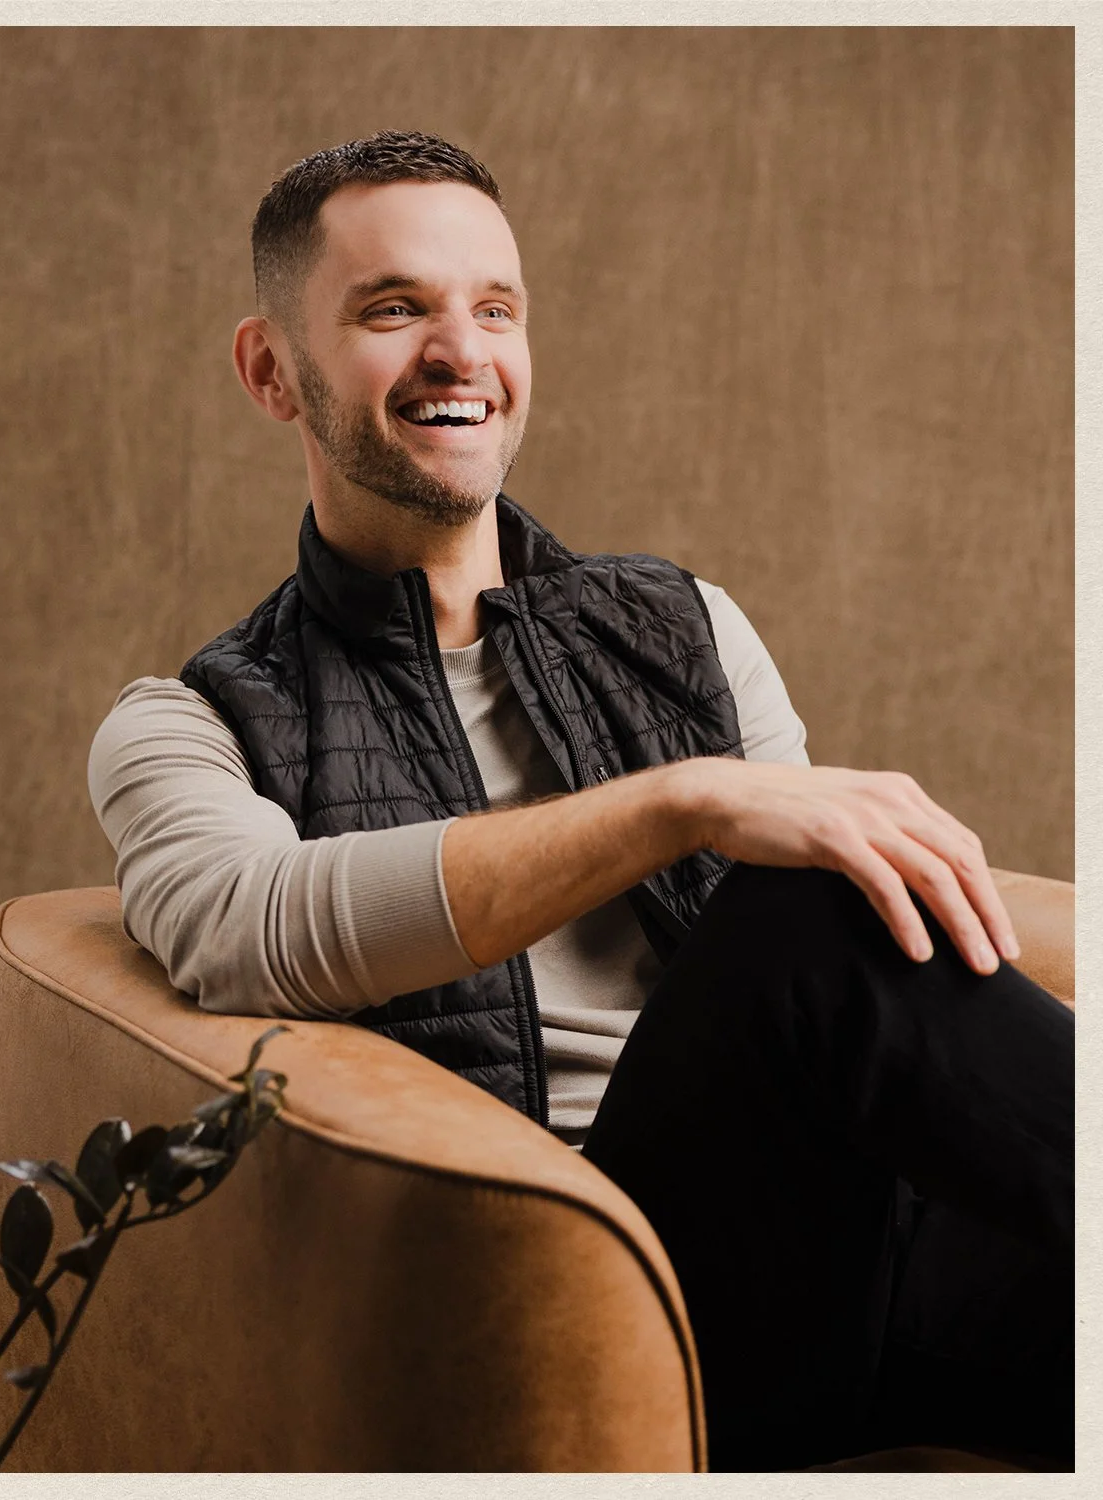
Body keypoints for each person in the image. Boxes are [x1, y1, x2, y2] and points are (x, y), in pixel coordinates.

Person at [88, 131, 1071, 1472]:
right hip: (609, 1300)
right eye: (395, 309)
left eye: (495, 309)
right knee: (800, 914)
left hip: (861, 1245)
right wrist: (680, 804)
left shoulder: (685, 624)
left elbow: (866, 1014)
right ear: (272, 370)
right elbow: (252, 929)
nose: (460, 352)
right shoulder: (192, 721)